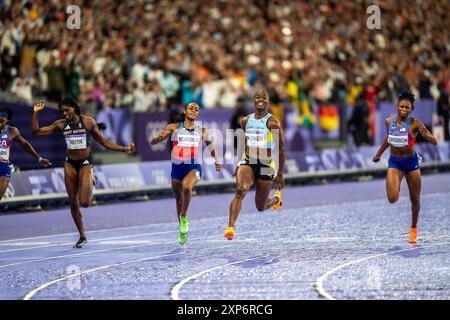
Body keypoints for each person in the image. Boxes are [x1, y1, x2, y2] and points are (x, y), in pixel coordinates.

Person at [31, 97, 136, 248]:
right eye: (62, 111)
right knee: (73, 201)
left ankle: (90, 178)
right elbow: (35, 132)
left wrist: (125, 149)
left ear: (74, 108)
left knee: (85, 203)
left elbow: (105, 143)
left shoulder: (88, 122)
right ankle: (82, 235)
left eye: (67, 110)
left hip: (85, 163)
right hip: (70, 163)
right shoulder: (60, 124)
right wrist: (35, 113)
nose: (64, 113)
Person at [150, 102, 221, 245]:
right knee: (179, 200)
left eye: (197, 109)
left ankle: (184, 216)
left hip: (194, 168)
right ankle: (182, 229)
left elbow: (210, 146)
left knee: (187, 187)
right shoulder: (174, 127)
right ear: (185, 111)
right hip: (177, 168)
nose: (194, 111)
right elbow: (158, 138)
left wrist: (217, 160)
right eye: (191, 108)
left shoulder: (202, 131)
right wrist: (157, 139)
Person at [373, 90, 437, 244]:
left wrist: (426, 135)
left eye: (407, 107)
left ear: (411, 110)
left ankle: (413, 228)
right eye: (401, 106)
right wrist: (378, 153)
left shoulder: (416, 123)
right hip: (395, 162)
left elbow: (433, 141)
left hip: (411, 163)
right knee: (392, 198)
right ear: (397, 106)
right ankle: (397, 183)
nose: (403, 109)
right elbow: (388, 139)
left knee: (415, 199)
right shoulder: (389, 121)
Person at [224, 89, 285, 240]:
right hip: (248, 161)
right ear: (254, 101)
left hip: (265, 164)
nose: (260, 99)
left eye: (264, 97)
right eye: (258, 97)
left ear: (268, 102)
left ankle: (276, 199)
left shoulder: (273, 123)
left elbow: (281, 148)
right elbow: (245, 142)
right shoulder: (245, 121)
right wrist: (240, 162)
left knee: (261, 206)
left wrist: (280, 173)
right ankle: (230, 227)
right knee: (240, 190)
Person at [0, 107, 51, 201]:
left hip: (3, 167)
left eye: (1, 121)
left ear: (7, 120)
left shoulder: (12, 131)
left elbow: (25, 145)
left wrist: (39, 159)